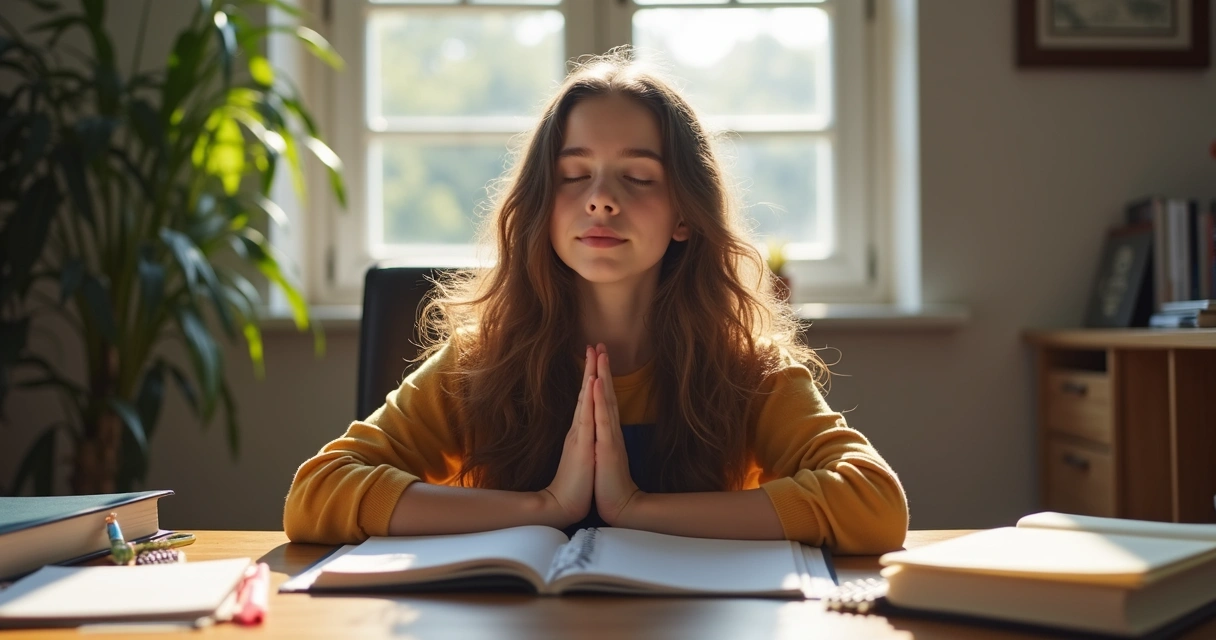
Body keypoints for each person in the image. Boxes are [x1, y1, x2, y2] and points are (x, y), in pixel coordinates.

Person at [284, 52, 908, 555]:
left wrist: (637, 509)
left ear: (686, 214)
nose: (601, 199)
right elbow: (316, 493)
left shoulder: (747, 368)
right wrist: (543, 507)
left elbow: (873, 504)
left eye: (637, 177)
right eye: (573, 174)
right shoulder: (480, 361)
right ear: (541, 205)